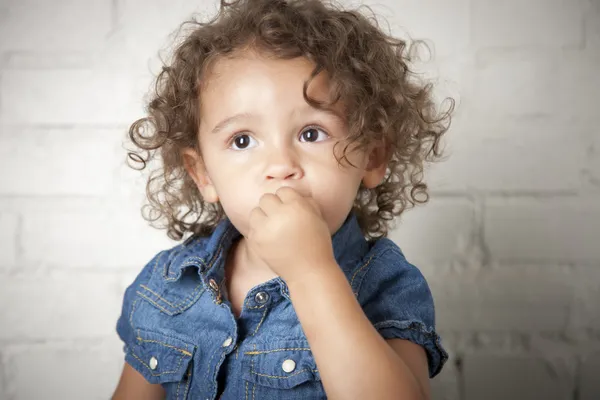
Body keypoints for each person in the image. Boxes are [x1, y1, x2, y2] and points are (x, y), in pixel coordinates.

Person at [112, 0, 453, 398]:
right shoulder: (169, 283)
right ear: (203, 173)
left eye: (311, 133)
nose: (280, 165)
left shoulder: (386, 284)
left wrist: (312, 272)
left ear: (372, 156)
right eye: (242, 140)